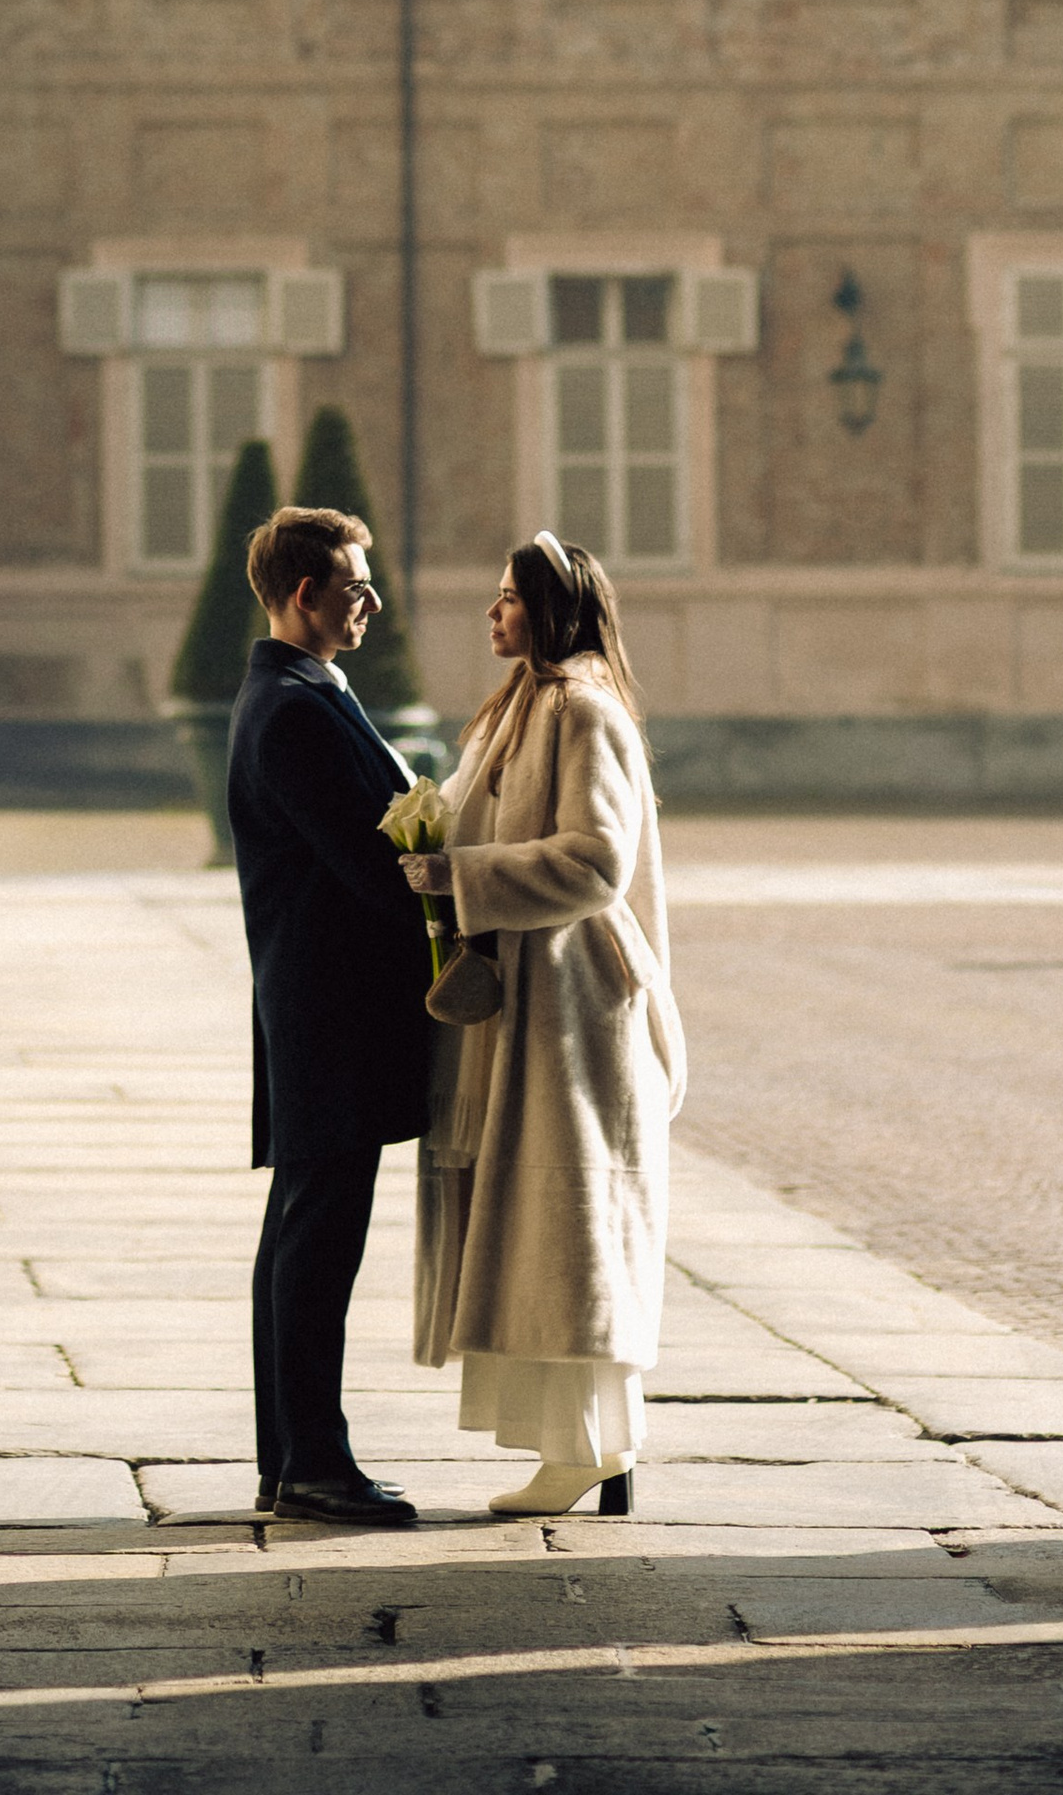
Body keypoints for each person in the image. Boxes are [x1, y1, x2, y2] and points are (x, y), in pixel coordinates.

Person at [398, 532, 686, 1518]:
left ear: (553, 609)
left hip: (574, 1011)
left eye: (509, 597)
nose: (493, 612)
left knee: (570, 1231)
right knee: (537, 1230)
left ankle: (591, 1447)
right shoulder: (519, 706)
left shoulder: (581, 708)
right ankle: (578, 1445)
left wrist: (458, 874)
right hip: (529, 1008)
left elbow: (596, 862)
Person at [227, 501, 432, 1527]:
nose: (372, 604)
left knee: (300, 1236)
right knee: (315, 1244)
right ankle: (311, 1461)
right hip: (329, 1012)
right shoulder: (294, 709)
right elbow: (370, 864)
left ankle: (292, 1460)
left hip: (319, 1006)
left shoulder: (297, 690)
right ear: (305, 593)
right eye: (356, 586)